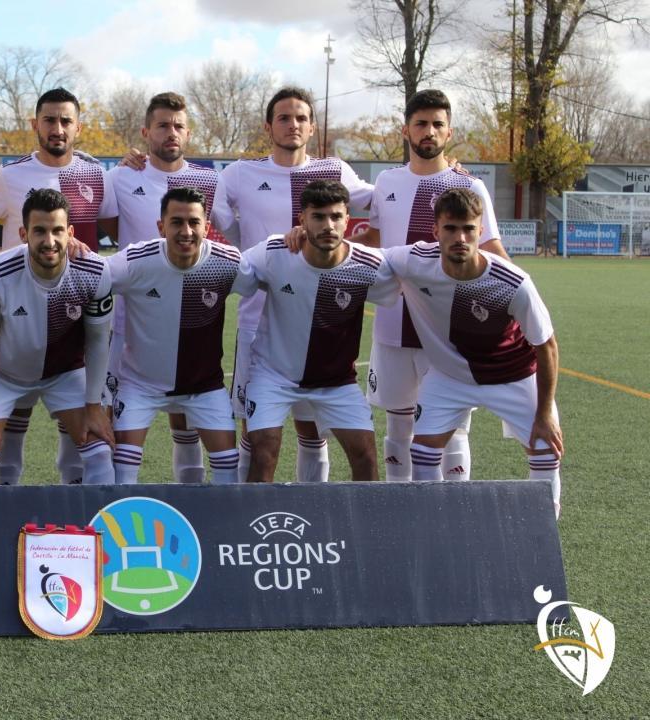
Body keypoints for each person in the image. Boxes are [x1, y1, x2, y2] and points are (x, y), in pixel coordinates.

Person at [0, 87, 119, 486]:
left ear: (79, 127)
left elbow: (120, 232)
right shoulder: (9, 176)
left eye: (66, 121)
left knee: (85, 445)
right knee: (4, 441)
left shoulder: (97, 175)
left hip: (72, 323)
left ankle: (81, 519)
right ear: (35, 124)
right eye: (49, 120)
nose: (57, 128)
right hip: (14, 322)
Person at [212, 86, 373, 485]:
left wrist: (444, 172)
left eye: (301, 118)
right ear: (268, 126)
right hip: (256, 320)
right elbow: (212, 209)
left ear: (312, 127)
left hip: (318, 319)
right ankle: (249, 512)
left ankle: (310, 507)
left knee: (313, 429)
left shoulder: (334, 170)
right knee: (255, 433)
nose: (293, 124)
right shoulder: (240, 173)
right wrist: (247, 245)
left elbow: (382, 199)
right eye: (284, 117)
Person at [384, 188, 563, 516]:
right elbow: (360, 256)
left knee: (546, 450)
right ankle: (434, 525)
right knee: (422, 455)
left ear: (481, 231)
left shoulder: (512, 282)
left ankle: (544, 528)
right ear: (435, 230)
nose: (460, 238)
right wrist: (302, 237)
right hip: (449, 377)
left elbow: (547, 347)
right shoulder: (414, 261)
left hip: (512, 375)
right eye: (450, 228)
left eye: (468, 229)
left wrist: (544, 413)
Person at [363, 89, 508, 482]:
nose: (429, 131)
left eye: (437, 124)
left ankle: (454, 506)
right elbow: (373, 239)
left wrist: (519, 297)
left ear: (449, 132)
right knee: (398, 424)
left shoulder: (469, 187)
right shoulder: (386, 182)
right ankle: (400, 505)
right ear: (406, 130)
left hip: (449, 329)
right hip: (393, 324)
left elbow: (491, 247)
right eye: (421, 123)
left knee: (452, 426)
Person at [239, 180, 399, 482]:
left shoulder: (369, 265)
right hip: (273, 375)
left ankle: (368, 515)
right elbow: (231, 268)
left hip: (336, 381)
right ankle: (251, 512)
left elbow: (413, 269)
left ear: (347, 219)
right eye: (318, 217)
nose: (328, 225)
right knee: (264, 450)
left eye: (336, 216)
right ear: (302, 219)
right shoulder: (275, 252)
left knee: (365, 455)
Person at [108, 91, 224, 484]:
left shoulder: (210, 180)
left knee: (186, 419)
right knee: (114, 422)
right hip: (129, 323)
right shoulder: (122, 176)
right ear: (146, 132)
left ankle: (189, 499)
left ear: (188, 133)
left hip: (190, 318)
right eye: (162, 125)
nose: (170, 132)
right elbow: (108, 227)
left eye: (178, 126)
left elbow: (228, 232)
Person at [107, 187, 251, 485]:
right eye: (176, 222)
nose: (186, 231)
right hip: (140, 385)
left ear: (206, 227)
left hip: (204, 388)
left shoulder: (228, 262)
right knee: (121, 472)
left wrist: (294, 241)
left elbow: (267, 276)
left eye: (194, 222)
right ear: (161, 226)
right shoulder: (135, 261)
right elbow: (90, 278)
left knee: (228, 470)